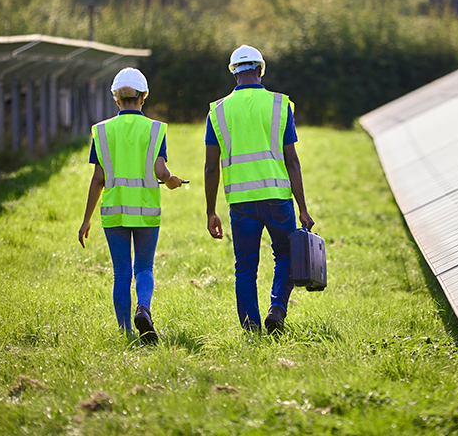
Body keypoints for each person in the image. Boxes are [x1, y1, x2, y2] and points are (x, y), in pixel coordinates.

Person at [205, 45, 314, 334]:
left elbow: (211, 168)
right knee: (287, 255)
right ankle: (276, 310)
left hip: (240, 203)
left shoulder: (217, 111)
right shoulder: (280, 106)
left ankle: (251, 328)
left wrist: (210, 211)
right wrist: (302, 207)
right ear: (260, 69)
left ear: (233, 74)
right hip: (278, 199)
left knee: (245, 268)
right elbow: (292, 160)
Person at [78, 67, 183, 344]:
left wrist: (86, 219)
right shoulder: (155, 129)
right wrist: (171, 181)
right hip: (147, 212)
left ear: (116, 99)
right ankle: (144, 309)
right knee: (144, 268)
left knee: (121, 273)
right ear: (143, 97)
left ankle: (126, 333)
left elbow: (98, 178)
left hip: (114, 213)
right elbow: (161, 171)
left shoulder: (101, 131)